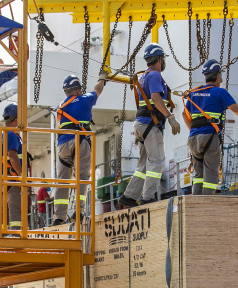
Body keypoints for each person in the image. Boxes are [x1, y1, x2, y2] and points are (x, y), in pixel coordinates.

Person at [118, 43, 181, 208]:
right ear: (160, 59)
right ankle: (148, 197)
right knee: (158, 161)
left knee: (143, 164)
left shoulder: (143, 76)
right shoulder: (154, 75)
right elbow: (156, 97)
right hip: (151, 125)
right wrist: (170, 117)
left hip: (141, 124)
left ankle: (129, 196)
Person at [182, 59, 238, 195]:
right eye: (220, 75)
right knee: (211, 172)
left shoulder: (194, 92)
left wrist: (193, 130)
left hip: (193, 138)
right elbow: (236, 110)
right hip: (210, 136)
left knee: (198, 174)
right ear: (216, 76)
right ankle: (207, 204)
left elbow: (184, 114)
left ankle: (196, 203)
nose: (221, 79)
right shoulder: (220, 92)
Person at [52, 73, 106, 226]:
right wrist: (102, 78)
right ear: (77, 90)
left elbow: (59, 127)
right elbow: (98, 89)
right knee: (82, 176)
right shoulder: (85, 99)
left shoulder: (60, 106)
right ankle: (79, 210)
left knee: (62, 181)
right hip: (80, 139)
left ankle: (59, 217)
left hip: (63, 144)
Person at [2, 103, 23, 231]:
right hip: (13, 177)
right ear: (16, 119)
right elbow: (12, 155)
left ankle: (7, 233)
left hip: (8, 176)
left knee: (11, 207)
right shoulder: (11, 134)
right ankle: (16, 235)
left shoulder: (5, 133)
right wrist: (21, 174)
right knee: (15, 207)